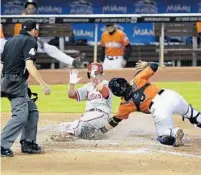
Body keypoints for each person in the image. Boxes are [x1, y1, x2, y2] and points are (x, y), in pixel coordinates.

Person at [95, 61, 201, 147]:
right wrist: (146, 64)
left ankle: (174, 132)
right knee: (192, 114)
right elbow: (154, 66)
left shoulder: (125, 105)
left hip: (159, 108)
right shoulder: (137, 79)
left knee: (164, 137)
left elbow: (114, 121)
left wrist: (100, 132)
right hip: (171, 95)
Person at [1, 20, 51, 157]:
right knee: (21, 115)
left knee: (32, 111)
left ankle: (28, 142)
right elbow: (29, 65)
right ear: (33, 30)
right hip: (16, 82)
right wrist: (43, 84)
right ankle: (1, 145)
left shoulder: (10, 41)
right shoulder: (30, 41)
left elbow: (2, 64)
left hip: (8, 80)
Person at [1, 0, 82, 68]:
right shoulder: (21, 18)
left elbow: (35, 34)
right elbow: (21, 35)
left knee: (51, 48)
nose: (31, 9)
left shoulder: (36, 19)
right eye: (29, 7)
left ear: (35, 9)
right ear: (25, 9)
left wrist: (38, 40)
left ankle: (73, 62)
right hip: (19, 43)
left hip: (31, 43)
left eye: (32, 8)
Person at [50, 62, 113, 141]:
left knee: (77, 124)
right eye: (92, 75)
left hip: (101, 115)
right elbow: (71, 95)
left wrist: (96, 80)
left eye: (96, 74)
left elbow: (105, 94)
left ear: (102, 74)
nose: (93, 77)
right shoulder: (89, 86)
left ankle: (68, 135)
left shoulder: (107, 84)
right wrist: (72, 84)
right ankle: (91, 135)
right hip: (88, 117)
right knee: (62, 126)